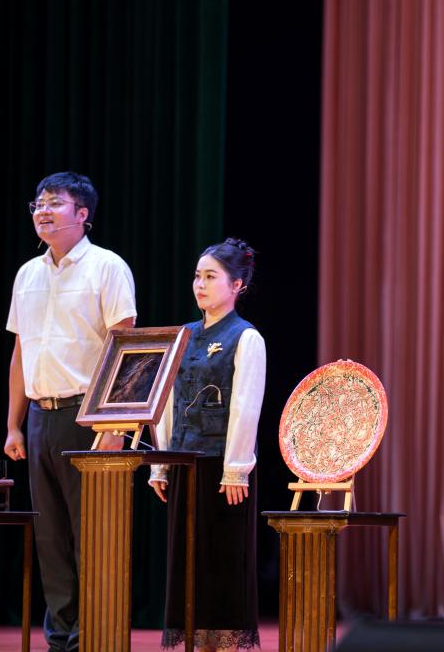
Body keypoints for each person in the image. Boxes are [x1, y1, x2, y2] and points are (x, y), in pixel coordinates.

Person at [3, 171, 137, 651]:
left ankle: (95, 635)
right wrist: (14, 425)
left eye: (54, 203)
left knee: (92, 532)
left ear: (82, 214)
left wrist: (116, 423)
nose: (42, 211)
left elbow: (125, 348)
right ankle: (61, 638)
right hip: (41, 416)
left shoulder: (107, 267)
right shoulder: (27, 274)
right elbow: (21, 353)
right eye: (38, 203)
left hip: (89, 417)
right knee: (51, 535)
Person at [149, 238, 265, 651]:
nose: (200, 284)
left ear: (237, 285)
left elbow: (245, 406)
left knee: (222, 558)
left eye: (211, 277)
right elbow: (165, 400)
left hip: (223, 468)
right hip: (184, 461)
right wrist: (160, 463)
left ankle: (226, 644)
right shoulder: (183, 335)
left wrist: (236, 469)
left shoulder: (245, 337)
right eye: (197, 276)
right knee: (188, 561)